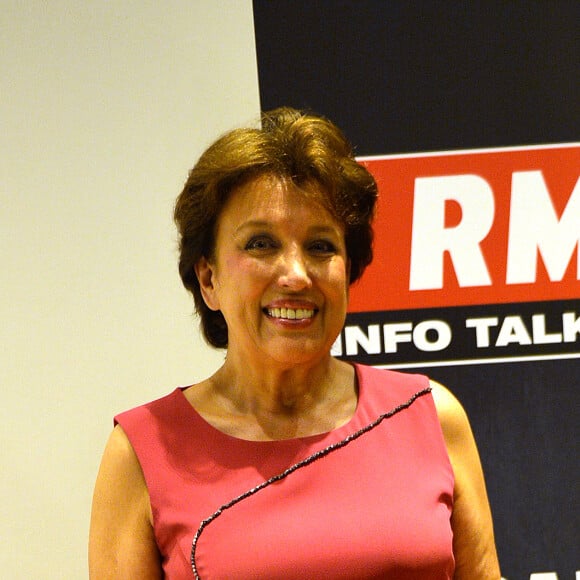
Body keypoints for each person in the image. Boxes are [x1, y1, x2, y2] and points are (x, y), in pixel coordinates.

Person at [89, 107, 501, 579]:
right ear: (209, 278)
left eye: (321, 246)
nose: (296, 275)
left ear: (349, 270)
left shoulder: (429, 417)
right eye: (260, 244)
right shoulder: (142, 452)